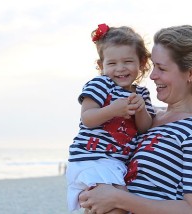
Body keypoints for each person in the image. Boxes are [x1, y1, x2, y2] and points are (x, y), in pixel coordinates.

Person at [79, 25, 192, 214]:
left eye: (161, 68)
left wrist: (118, 198)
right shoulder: (146, 117)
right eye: (153, 66)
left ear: (191, 73)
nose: (152, 76)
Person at [66, 23, 156, 213]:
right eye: (112, 63)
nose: (120, 69)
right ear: (101, 65)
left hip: (116, 163)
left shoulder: (142, 94)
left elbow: (144, 128)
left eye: (128, 62)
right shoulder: (100, 85)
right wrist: (112, 110)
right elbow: (87, 118)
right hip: (91, 159)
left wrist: (140, 110)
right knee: (119, 204)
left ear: (142, 63)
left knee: (119, 204)